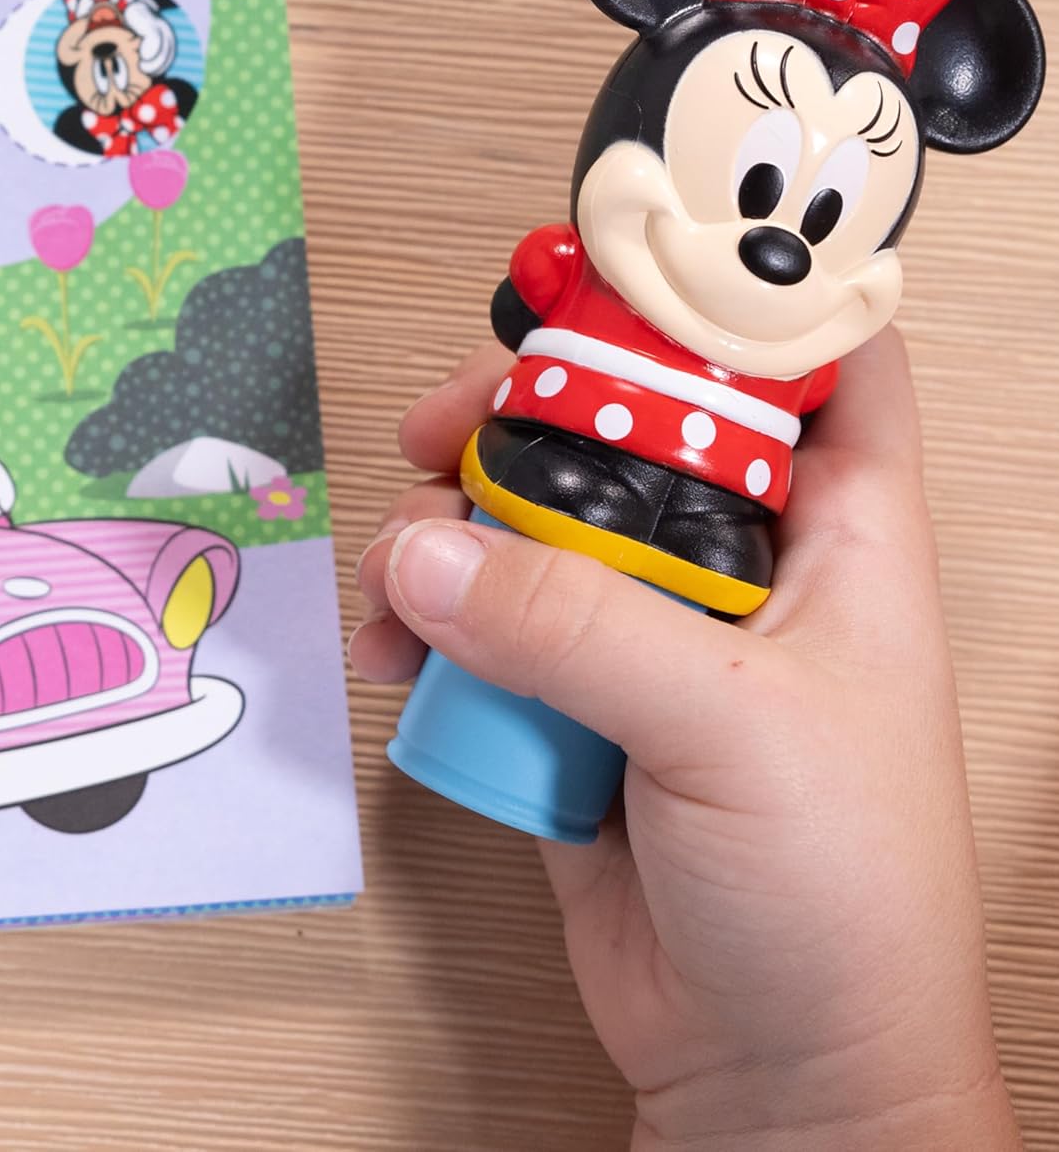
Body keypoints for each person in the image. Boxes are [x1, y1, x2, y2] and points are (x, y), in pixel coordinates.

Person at [349, 327, 1022, 1149]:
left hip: (701, 505)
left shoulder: (806, 357)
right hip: (575, 461)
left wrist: (816, 1085)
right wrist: (811, 1092)